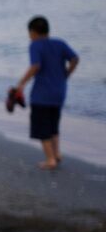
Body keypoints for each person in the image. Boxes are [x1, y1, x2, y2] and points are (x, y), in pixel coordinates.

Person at [15, 16, 80, 170]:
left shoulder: (35, 46)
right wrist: (66, 75)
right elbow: (75, 59)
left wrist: (21, 84)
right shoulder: (59, 43)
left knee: (42, 127)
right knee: (53, 126)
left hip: (41, 95)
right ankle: (56, 154)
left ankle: (50, 159)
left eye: (29, 33)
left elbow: (35, 66)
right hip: (59, 92)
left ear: (33, 32)